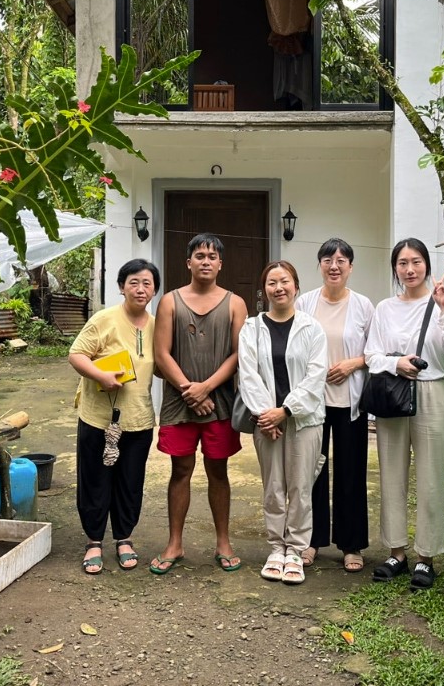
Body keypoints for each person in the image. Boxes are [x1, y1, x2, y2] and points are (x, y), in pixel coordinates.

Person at [365, 238, 444, 590]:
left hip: (432, 391)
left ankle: (426, 556)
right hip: (393, 393)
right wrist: (397, 363)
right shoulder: (385, 308)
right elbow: (371, 356)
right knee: (391, 473)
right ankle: (396, 552)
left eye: (416, 262)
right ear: (395, 268)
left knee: (430, 477)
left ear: (427, 264)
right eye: (402, 263)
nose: (409, 269)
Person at [150, 233, 248, 574]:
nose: (206, 261)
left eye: (212, 256)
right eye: (200, 256)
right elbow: (161, 353)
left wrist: (205, 388)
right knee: (180, 470)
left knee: (218, 471)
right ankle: (174, 543)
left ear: (221, 264)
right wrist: (189, 391)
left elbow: (238, 354)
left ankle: (223, 542)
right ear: (188, 262)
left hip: (220, 402)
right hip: (179, 404)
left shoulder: (235, 303)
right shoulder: (169, 302)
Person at [68, 259, 161, 575]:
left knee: (130, 482)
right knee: (95, 479)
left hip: (139, 418)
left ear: (154, 290)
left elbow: (161, 365)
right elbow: (76, 354)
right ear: (122, 287)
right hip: (99, 417)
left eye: (147, 283)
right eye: (133, 282)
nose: (140, 289)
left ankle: (124, 538)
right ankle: (94, 541)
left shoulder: (157, 325)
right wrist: (100, 375)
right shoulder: (103, 320)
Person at [237, 260, 326, 585]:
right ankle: (277, 547)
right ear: (264, 291)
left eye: (285, 281)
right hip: (266, 423)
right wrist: (266, 414)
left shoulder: (312, 328)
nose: (279, 288)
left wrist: (285, 410)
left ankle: (297, 551)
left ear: (296, 287)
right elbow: (248, 374)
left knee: (301, 488)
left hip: (304, 420)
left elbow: (317, 376)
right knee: (273, 488)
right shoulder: (251, 328)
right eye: (272, 282)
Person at [295, 238, 374, 573]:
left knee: (350, 471)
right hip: (314, 402)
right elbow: (296, 346)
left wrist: (352, 364)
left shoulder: (363, 306)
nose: (334, 266)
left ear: (351, 267)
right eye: (328, 260)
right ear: (320, 266)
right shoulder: (305, 303)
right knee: (312, 471)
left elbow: (376, 350)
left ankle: (350, 544)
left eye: (342, 260)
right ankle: (310, 540)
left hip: (350, 402)